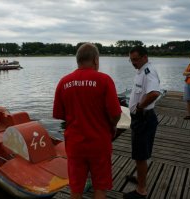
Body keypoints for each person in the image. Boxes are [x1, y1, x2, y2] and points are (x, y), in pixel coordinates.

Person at [53, 43, 122, 199]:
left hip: (75, 144)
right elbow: (116, 113)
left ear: (78, 60)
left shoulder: (64, 82)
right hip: (99, 143)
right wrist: (113, 125)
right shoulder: (104, 80)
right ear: (96, 60)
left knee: (76, 188)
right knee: (100, 187)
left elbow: (59, 114)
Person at [124, 46, 160, 199]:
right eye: (131, 60)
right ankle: (141, 180)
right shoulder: (141, 70)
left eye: (136, 59)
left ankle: (141, 190)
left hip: (143, 119)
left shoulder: (148, 71)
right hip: (141, 118)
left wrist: (139, 106)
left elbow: (154, 93)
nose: (133, 62)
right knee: (140, 154)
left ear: (145, 57)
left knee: (140, 156)